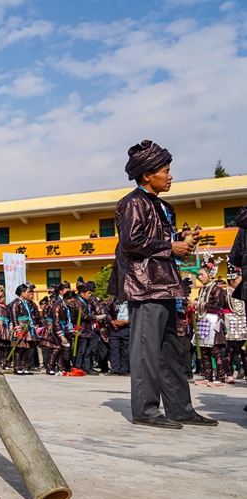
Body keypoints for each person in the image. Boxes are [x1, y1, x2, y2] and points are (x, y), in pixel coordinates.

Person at [108, 139, 216, 428]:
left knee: (171, 351)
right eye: (165, 170)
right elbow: (132, 242)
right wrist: (172, 246)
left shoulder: (163, 206)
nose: (170, 176)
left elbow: (157, 243)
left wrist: (182, 244)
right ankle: (145, 411)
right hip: (145, 287)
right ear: (147, 175)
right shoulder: (132, 203)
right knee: (146, 352)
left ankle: (180, 408)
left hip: (165, 284)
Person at [194, 261, 228, 387]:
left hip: (214, 322)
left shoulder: (217, 289)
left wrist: (197, 304)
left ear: (210, 275)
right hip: (203, 321)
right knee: (204, 351)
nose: (200, 277)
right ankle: (208, 377)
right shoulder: (202, 290)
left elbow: (216, 305)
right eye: (199, 275)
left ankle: (220, 377)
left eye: (202, 274)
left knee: (216, 351)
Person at [8, 283, 39, 375]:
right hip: (20, 326)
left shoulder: (26, 303)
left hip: (27, 326)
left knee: (26, 348)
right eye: (27, 292)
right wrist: (17, 329)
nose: (29, 294)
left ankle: (24, 366)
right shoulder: (15, 303)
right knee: (19, 347)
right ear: (22, 293)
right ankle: (17, 367)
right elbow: (13, 317)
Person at [223, 266, 244, 383]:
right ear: (232, 281)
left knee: (244, 350)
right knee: (229, 350)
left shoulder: (243, 291)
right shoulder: (224, 293)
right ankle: (229, 374)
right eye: (239, 281)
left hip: (242, 321)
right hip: (229, 322)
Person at [105, 294, 131, 375]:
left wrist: (127, 321)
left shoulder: (131, 302)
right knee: (114, 350)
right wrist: (111, 321)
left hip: (126, 327)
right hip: (114, 328)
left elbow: (136, 314)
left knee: (126, 350)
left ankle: (124, 370)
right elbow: (106, 312)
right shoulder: (111, 302)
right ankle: (115, 369)